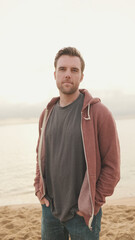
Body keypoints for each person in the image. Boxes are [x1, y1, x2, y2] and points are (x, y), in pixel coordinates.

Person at [34, 47, 120, 240]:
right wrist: (39, 189)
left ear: (81, 76)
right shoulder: (46, 114)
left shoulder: (98, 113)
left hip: (83, 214)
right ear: (55, 74)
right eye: (63, 69)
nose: (67, 75)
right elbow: (40, 155)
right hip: (50, 210)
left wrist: (94, 202)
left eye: (74, 70)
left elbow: (112, 167)